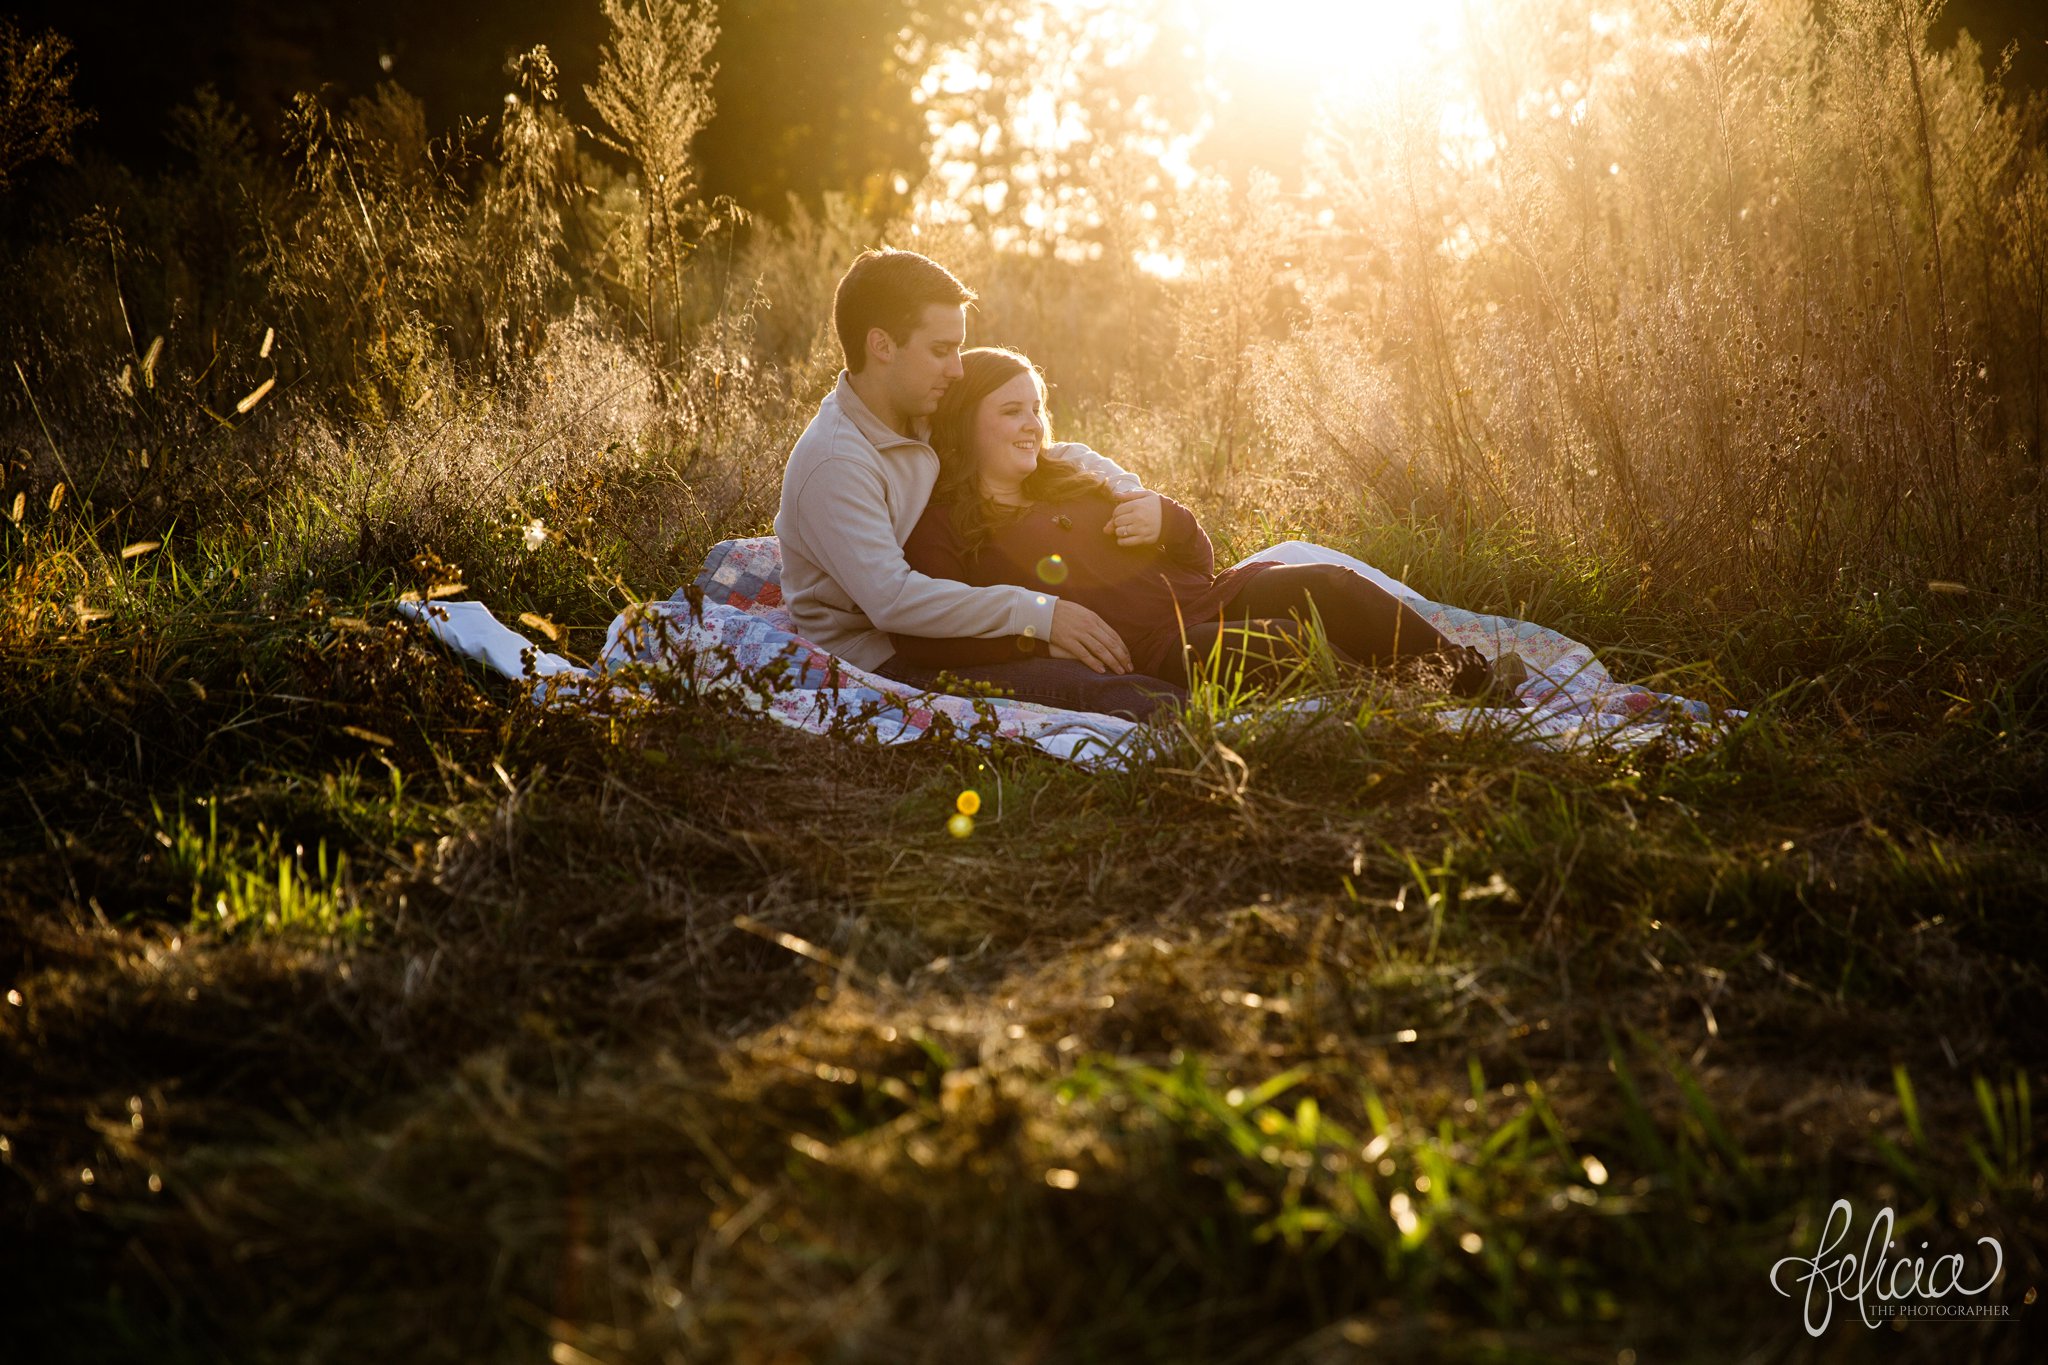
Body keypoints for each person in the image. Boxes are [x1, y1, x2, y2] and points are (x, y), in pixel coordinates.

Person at [887, 347, 1526, 702]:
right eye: (1010, 411)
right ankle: (1402, 704)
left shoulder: (1071, 478)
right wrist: (1036, 639)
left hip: (1209, 594)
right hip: (1158, 647)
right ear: (966, 421)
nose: (1032, 423)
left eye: (1037, 408)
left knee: (1331, 584)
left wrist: (1170, 520)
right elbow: (931, 635)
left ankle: (1466, 676)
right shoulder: (945, 525)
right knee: (1282, 643)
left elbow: (1197, 560)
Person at [773, 249, 1187, 721]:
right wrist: (1037, 614)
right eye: (940, 350)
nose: (958, 369)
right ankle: (1233, 739)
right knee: (1093, 689)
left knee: (1133, 642)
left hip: (961, 598)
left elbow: (1053, 452)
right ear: (882, 346)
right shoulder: (836, 462)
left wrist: (1130, 492)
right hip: (887, 653)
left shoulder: (922, 410)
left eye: (957, 348)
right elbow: (892, 601)